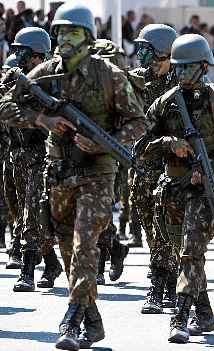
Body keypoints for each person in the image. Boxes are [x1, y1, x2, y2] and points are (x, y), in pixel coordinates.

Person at [0, 3, 146, 349]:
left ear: (88, 38)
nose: (65, 39)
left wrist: (101, 143)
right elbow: (5, 105)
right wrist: (42, 120)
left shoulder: (109, 75)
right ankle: (92, 319)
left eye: (73, 33)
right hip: (59, 172)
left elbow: (138, 122)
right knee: (67, 248)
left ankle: (71, 319)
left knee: (84, 243)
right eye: (61, 33)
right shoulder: (45, 74)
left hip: (97, 172)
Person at [140, 34, 214, 343]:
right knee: (185, 253)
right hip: (173, 188)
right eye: (178, 69)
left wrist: (206, 169)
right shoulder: (165, 102)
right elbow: (142, 144)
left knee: (190, 251)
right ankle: (205, 312)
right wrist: (170, 144)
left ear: (203, 68)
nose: (182, 75)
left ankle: (180, 318)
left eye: (189, 69)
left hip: (206, 188)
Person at [1, 27, 64, 293]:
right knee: (21, 215)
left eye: (23, 53)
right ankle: (51, 262)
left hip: (41, 157)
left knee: (33, 214)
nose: (19, 57)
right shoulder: (15, 79)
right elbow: (4, 108)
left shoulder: (53, 82)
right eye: (16, 52)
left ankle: (28, 270)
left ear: (38, 55)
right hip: (15, 157)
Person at [130, 23, 179, 314]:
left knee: (166, 227)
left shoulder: (183, 84)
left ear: (163, 52)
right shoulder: (135, 82)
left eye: (146, 50)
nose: (140, 55)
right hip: (142, 168)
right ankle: (164, 274)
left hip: (172, 169)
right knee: (151, 227)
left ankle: (162, 284)